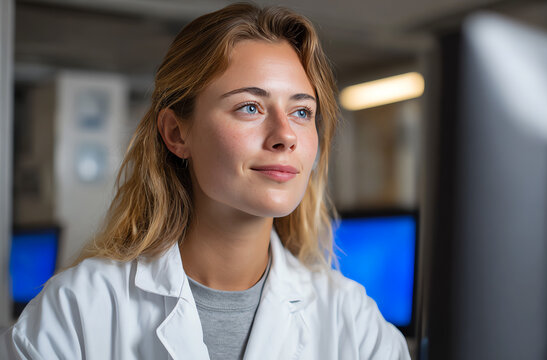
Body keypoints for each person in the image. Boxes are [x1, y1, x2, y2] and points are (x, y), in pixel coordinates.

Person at [1, 3, 411, 359]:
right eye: (250, 107)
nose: (286, 135)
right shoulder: (77, 311)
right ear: (178, 134)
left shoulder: (352, 320)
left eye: (302, 112)